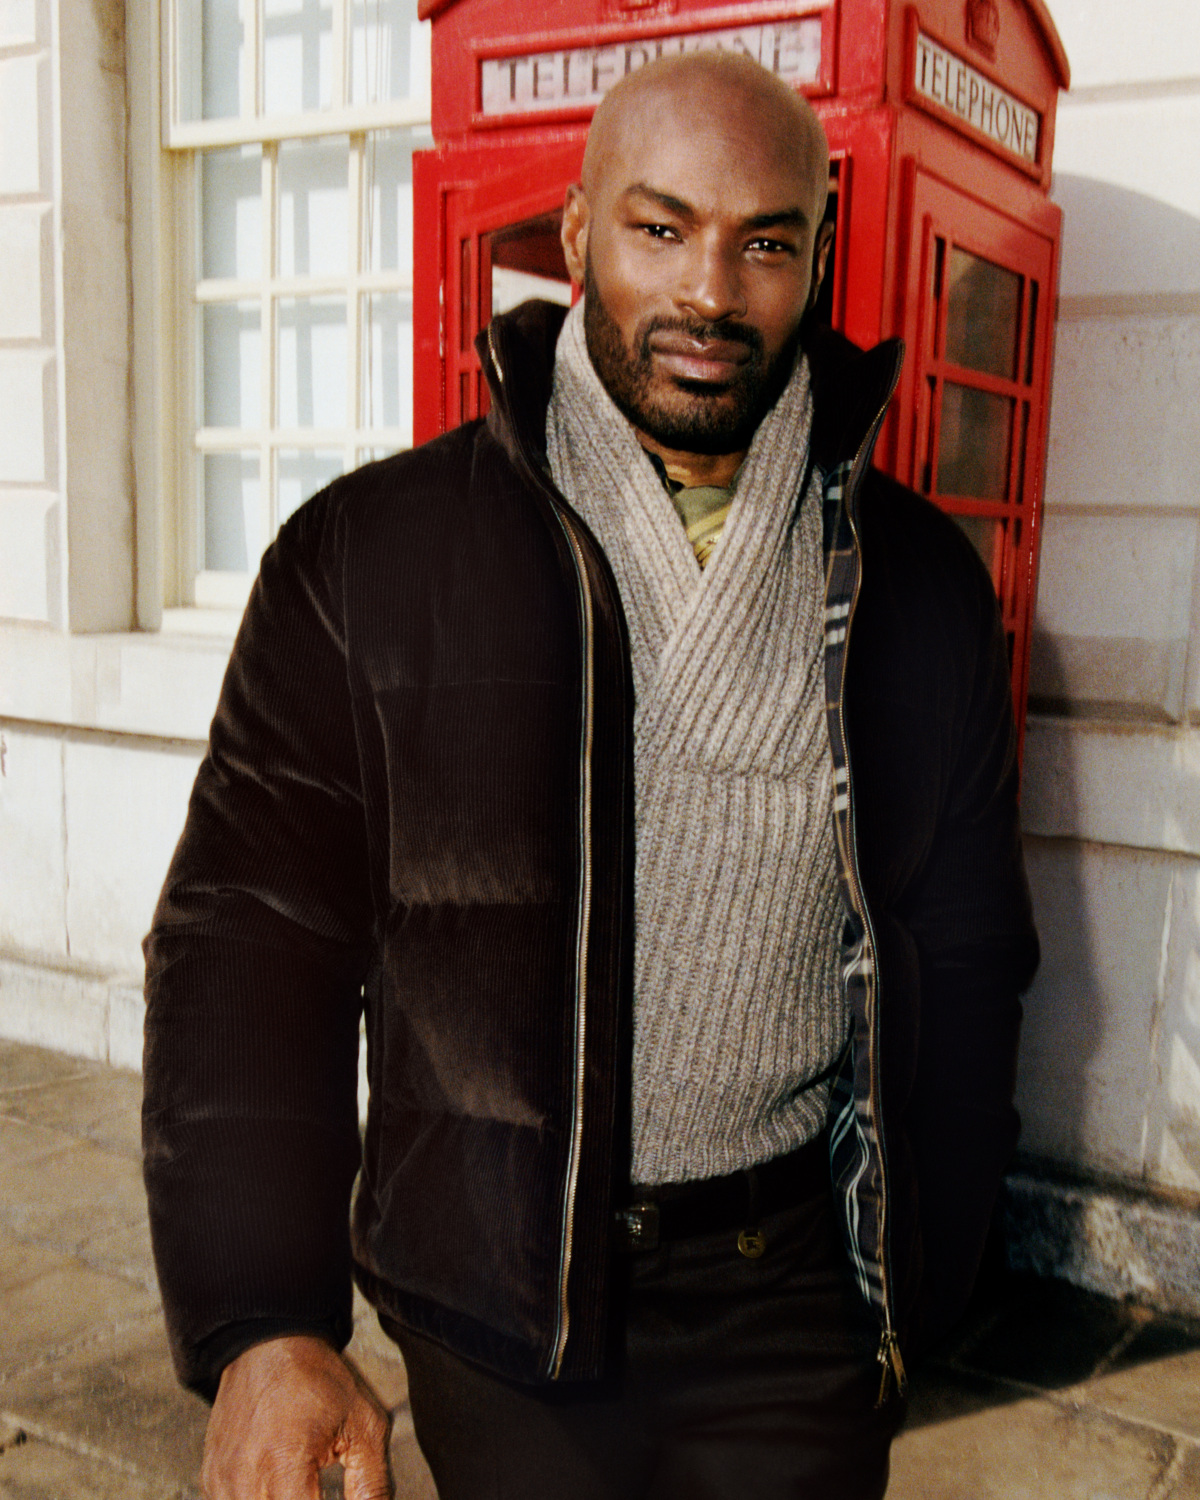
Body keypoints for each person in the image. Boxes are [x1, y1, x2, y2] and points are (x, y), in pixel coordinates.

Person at [143, 50, 1038, 1500]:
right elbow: (250, 941)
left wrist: (924, 1269)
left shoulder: (922, 579)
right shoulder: (366, 559)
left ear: (818, 260)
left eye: (765, 242)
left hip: (795, 1300)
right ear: (571, 239)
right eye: (660, 227)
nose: (710, 293)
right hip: (501, 1304)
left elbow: (971, 940)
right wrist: (266, 1323)